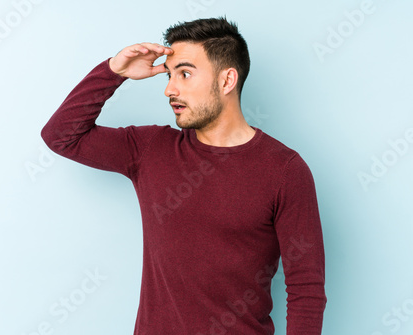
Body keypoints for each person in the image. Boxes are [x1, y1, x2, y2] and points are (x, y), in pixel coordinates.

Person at [41, 16, 326, 335]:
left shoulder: (285, 169)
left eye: (185, 74)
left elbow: (306, 290)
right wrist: (114, 71)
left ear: (226, 80)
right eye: (169, 74)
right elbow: (61, 136)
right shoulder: (149, 149)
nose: (169, 89)